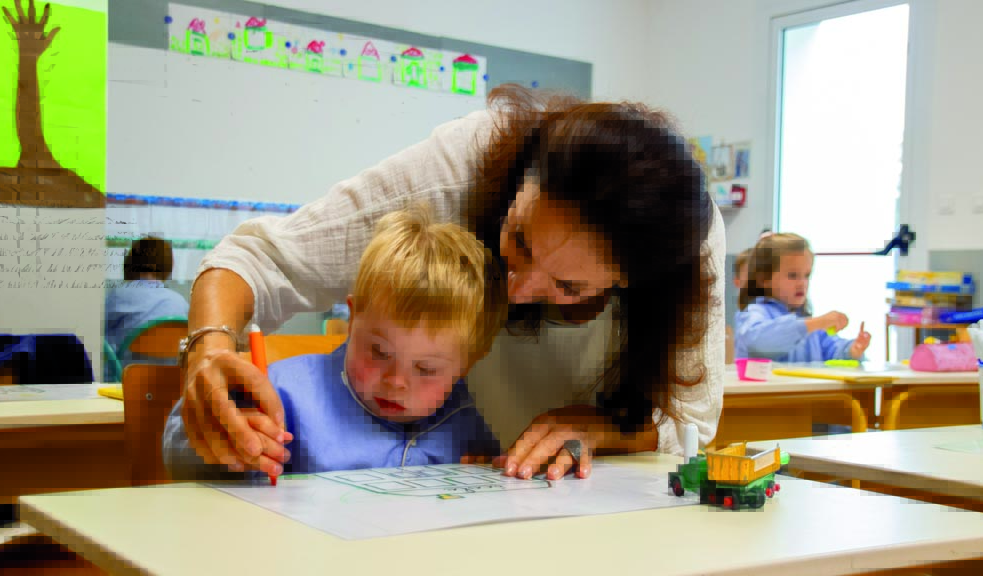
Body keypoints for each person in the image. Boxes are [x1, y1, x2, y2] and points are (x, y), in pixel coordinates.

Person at [175, 84, 726, 482]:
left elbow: (691, 423)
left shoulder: (683, 248)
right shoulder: (464, 166)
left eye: (569, 287)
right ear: (521, 180)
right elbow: (259, 259)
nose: (514, 291)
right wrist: (207, 350)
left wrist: (605, 428)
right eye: (518, 239)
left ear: (630, 282)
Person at [163, 206, 507, 478]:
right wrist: (230, 441)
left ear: (468, 364)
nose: (396, 381)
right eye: (379, 352)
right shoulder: (282, 394)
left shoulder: (463, 419)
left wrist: (487, 474)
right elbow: (178, 448)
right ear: (353, 318)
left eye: (427, 369)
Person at [734, 233, 871, 362]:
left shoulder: (807, 322)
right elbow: (758, 341)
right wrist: (812, 324)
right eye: (793, 275)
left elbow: (832, 350)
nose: (802, 283)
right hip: (769, 388)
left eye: (806, 275)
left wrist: (852, 350)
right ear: (764, 279)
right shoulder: (753, 312)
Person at [104, 236, 188, 381]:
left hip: (123, 384)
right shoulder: (181, 303)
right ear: (168, 266)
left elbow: (94, 334)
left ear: (130, 262)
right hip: (168, 385)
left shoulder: (119, 296)